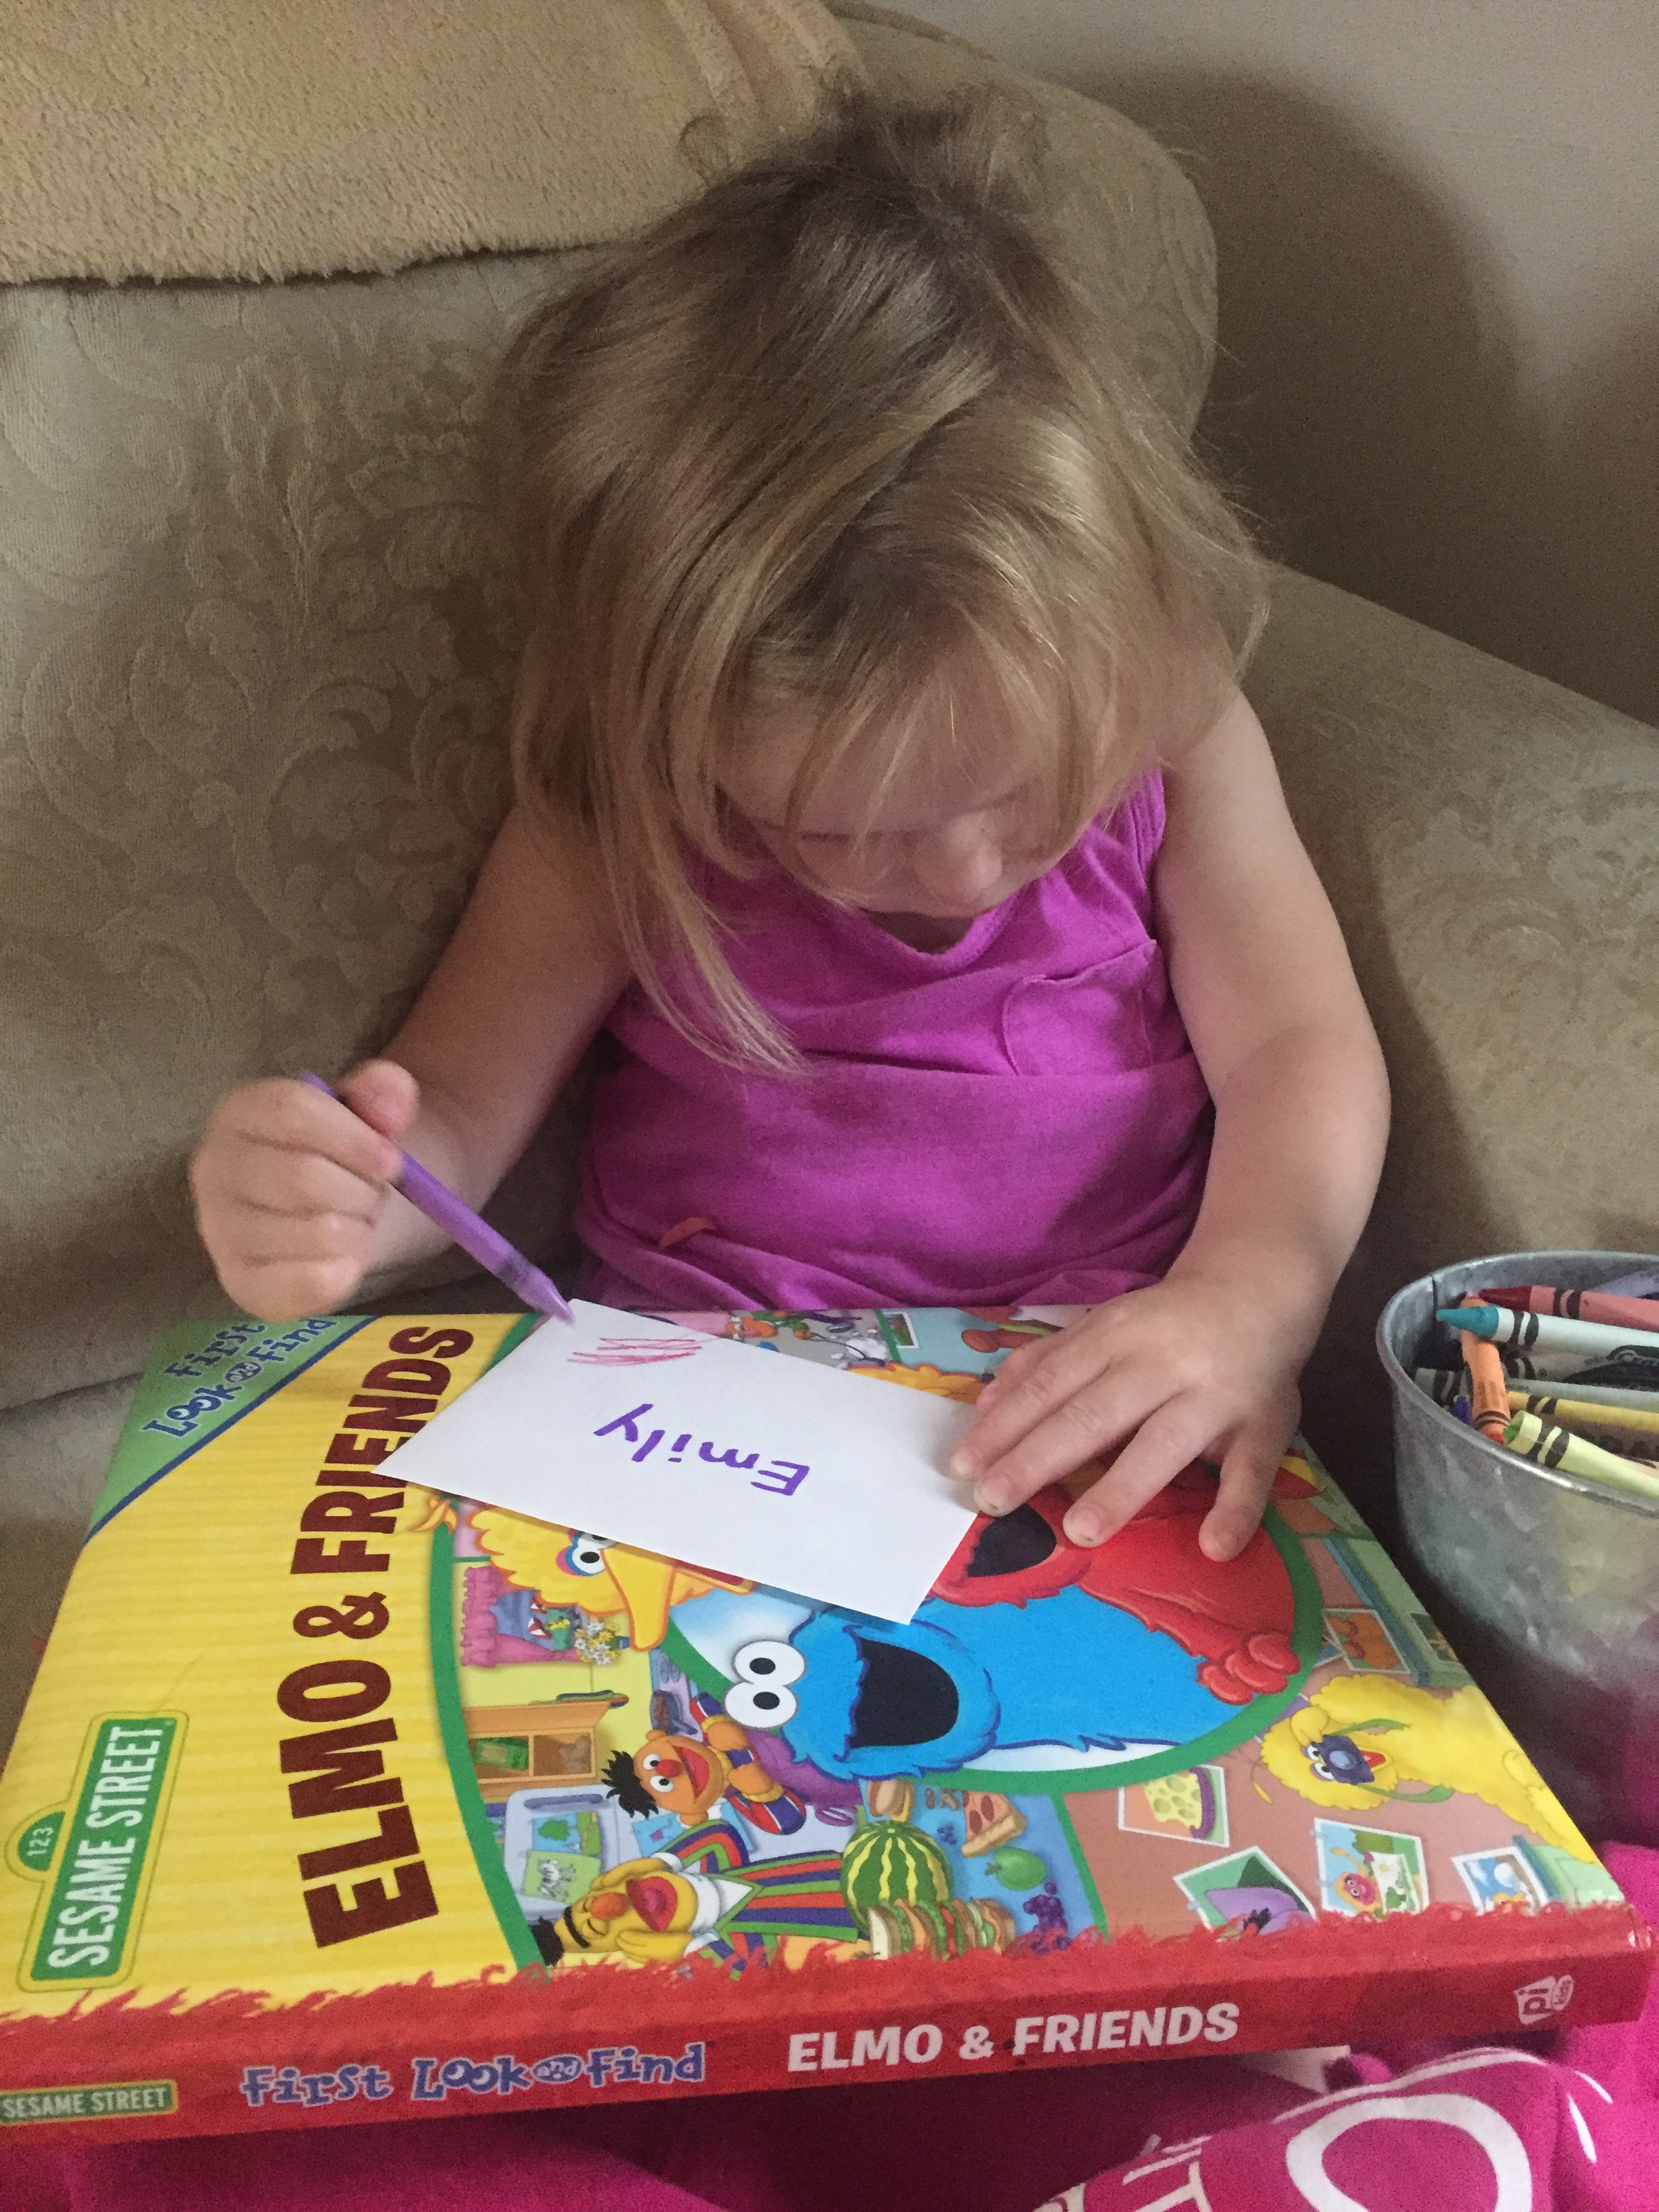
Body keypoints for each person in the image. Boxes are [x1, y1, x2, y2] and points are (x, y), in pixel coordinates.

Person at [188, 91, 1389, 1566]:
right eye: (843, 833)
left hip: (1102, 1402)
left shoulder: (1178, 720)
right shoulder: (621, 811)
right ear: (673, 737)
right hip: (697, 1425)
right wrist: (345, 1203)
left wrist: (1250, 1298)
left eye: (1029, 787)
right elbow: (457, 1107)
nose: (965, 870)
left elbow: (1297, 1047)